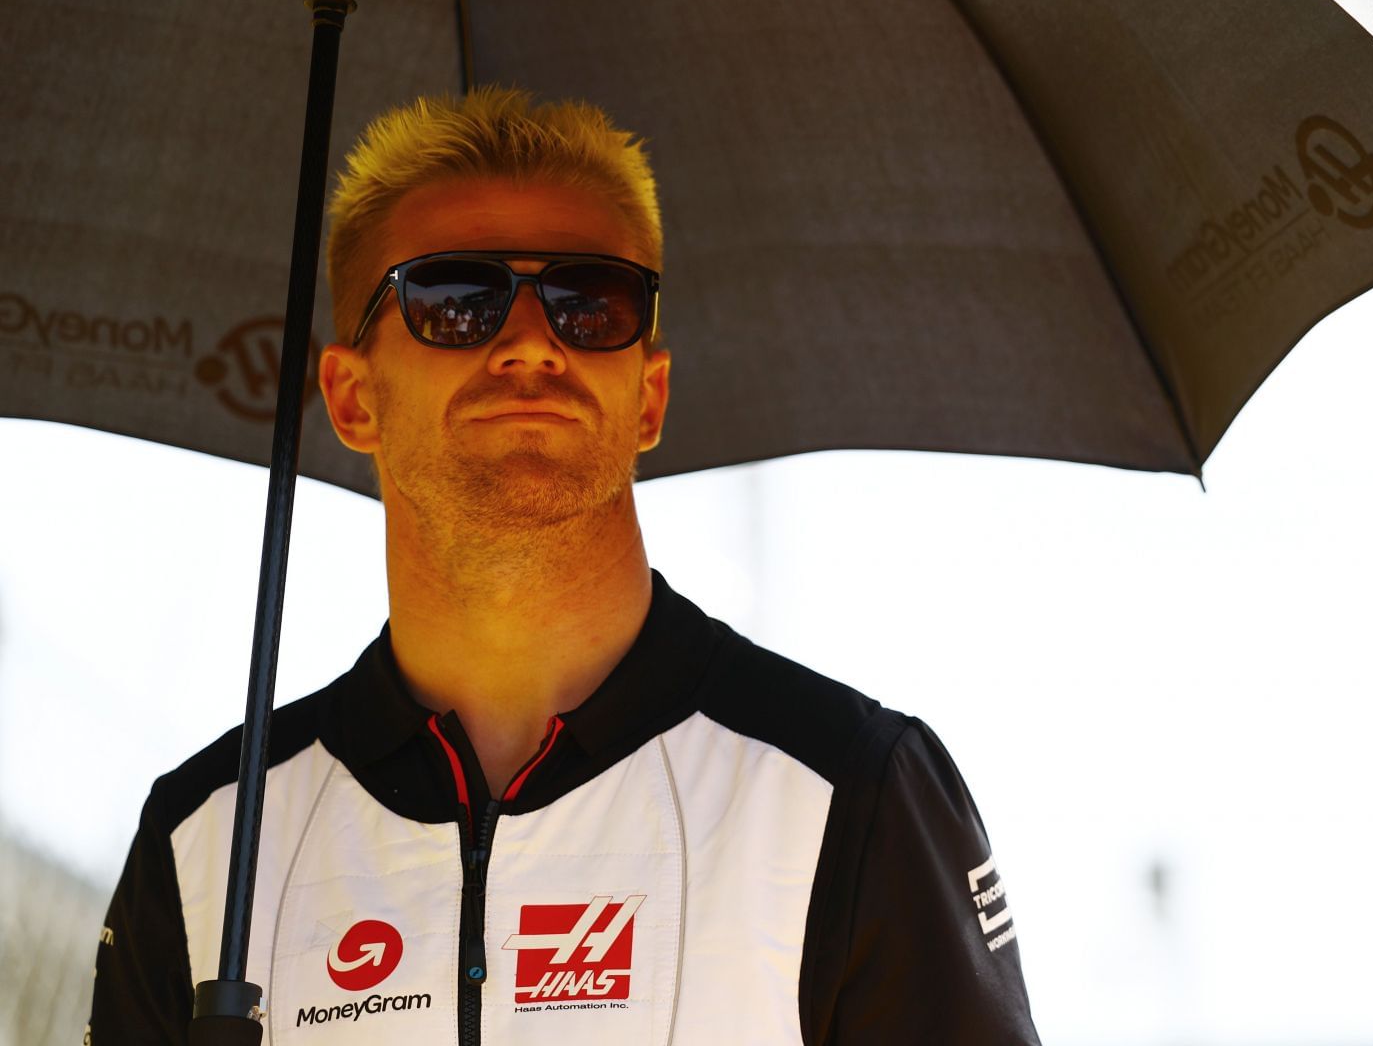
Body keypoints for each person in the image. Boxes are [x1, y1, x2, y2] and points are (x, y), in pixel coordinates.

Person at [89, 86, 1040, 1044]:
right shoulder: (205, 844)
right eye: (456, 300)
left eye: (592, 304)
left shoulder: (853, 788)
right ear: (350, 396)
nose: (532, 342)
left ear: (650, 399)